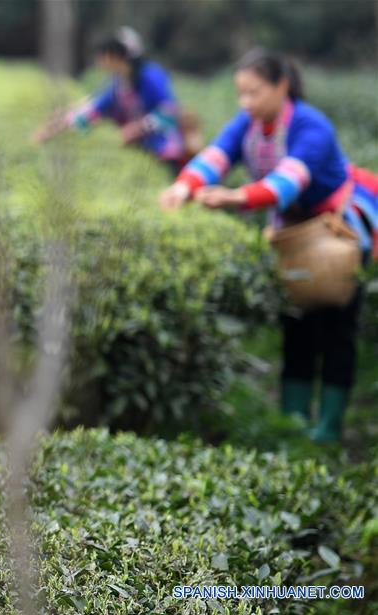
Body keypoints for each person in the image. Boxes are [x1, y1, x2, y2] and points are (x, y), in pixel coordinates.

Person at [159, 49, 377, 443]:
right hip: (294, 238)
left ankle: (328, 427)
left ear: (282, 86)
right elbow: (216, 155)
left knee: (336, 330)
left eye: (253, 93)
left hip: (337, 234)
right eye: (241, 94)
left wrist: (234, 198)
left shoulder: (313, 127)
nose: (245, 103)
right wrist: (183, 186)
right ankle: (292, 420)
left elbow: (286, 182)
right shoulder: (249, 123)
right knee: (296, 324)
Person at [33, 28, 196, 174]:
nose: (100, 60)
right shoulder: (118, 84)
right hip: (146, 152)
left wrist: (139, 127)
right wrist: (63, 124)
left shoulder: (151, 76)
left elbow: (169, 110)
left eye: (105, 54)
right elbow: (94, 111)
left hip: (168, 152)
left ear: (117, 56)